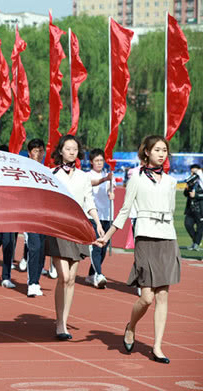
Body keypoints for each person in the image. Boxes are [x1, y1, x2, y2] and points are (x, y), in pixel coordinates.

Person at [95, 135, 180, 364]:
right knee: (147, 298)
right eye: (157, 150)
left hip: (167, 238)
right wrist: (107, 236)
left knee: (163, 295)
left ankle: (158, 346)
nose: (162, 154)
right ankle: (131, 327)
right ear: (147, 153)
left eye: (165, 150)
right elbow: (125, 210)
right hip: (145, 237)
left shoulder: (171, 182)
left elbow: (171, 210)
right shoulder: (137, 178)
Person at [45, 135, 104, 340]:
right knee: (64, 276)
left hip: (78, 228)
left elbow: (89, 202)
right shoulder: (50, 174)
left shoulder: (82, 177)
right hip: (59, 228)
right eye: (68, 148)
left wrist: (97, 223)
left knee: (71, 281)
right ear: (60, 151)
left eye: (75, 149)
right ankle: (59, 322)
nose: (72, 152)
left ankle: (64, 321)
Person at [86, 149, 116, 288]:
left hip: (107, 215)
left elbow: (111, 189)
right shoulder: (87, 175)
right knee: (97, 246)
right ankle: (99, 274)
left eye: (101, 160)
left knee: (104, 248)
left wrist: (111, 193)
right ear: (91, 162)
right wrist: (105, 179)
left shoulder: (109, 175)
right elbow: (93, 183)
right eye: (96, 161)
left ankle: (91, 274)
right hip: (93, 216)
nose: (99, 163)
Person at [24, 138, 47, 297]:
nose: (39, 154)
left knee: (42, 250)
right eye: (35, 151)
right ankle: (32, 282)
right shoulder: (22, 169)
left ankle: (36, 280)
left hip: (45, 217)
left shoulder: (47, 170)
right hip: (29, 216)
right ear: (29, 153)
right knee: (35, 247)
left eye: (41, 151)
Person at [184, 164, 203, 251]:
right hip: (190, 208)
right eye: (192, 172)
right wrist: (187, 189)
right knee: (188, 224)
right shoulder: (190, 181)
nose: (193, 173)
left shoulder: (201, 181)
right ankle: (196, 242)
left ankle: (196, 244)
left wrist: (196, 195)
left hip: (200, 208)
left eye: (195, 172)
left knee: (200, 227)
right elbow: (185, 194)